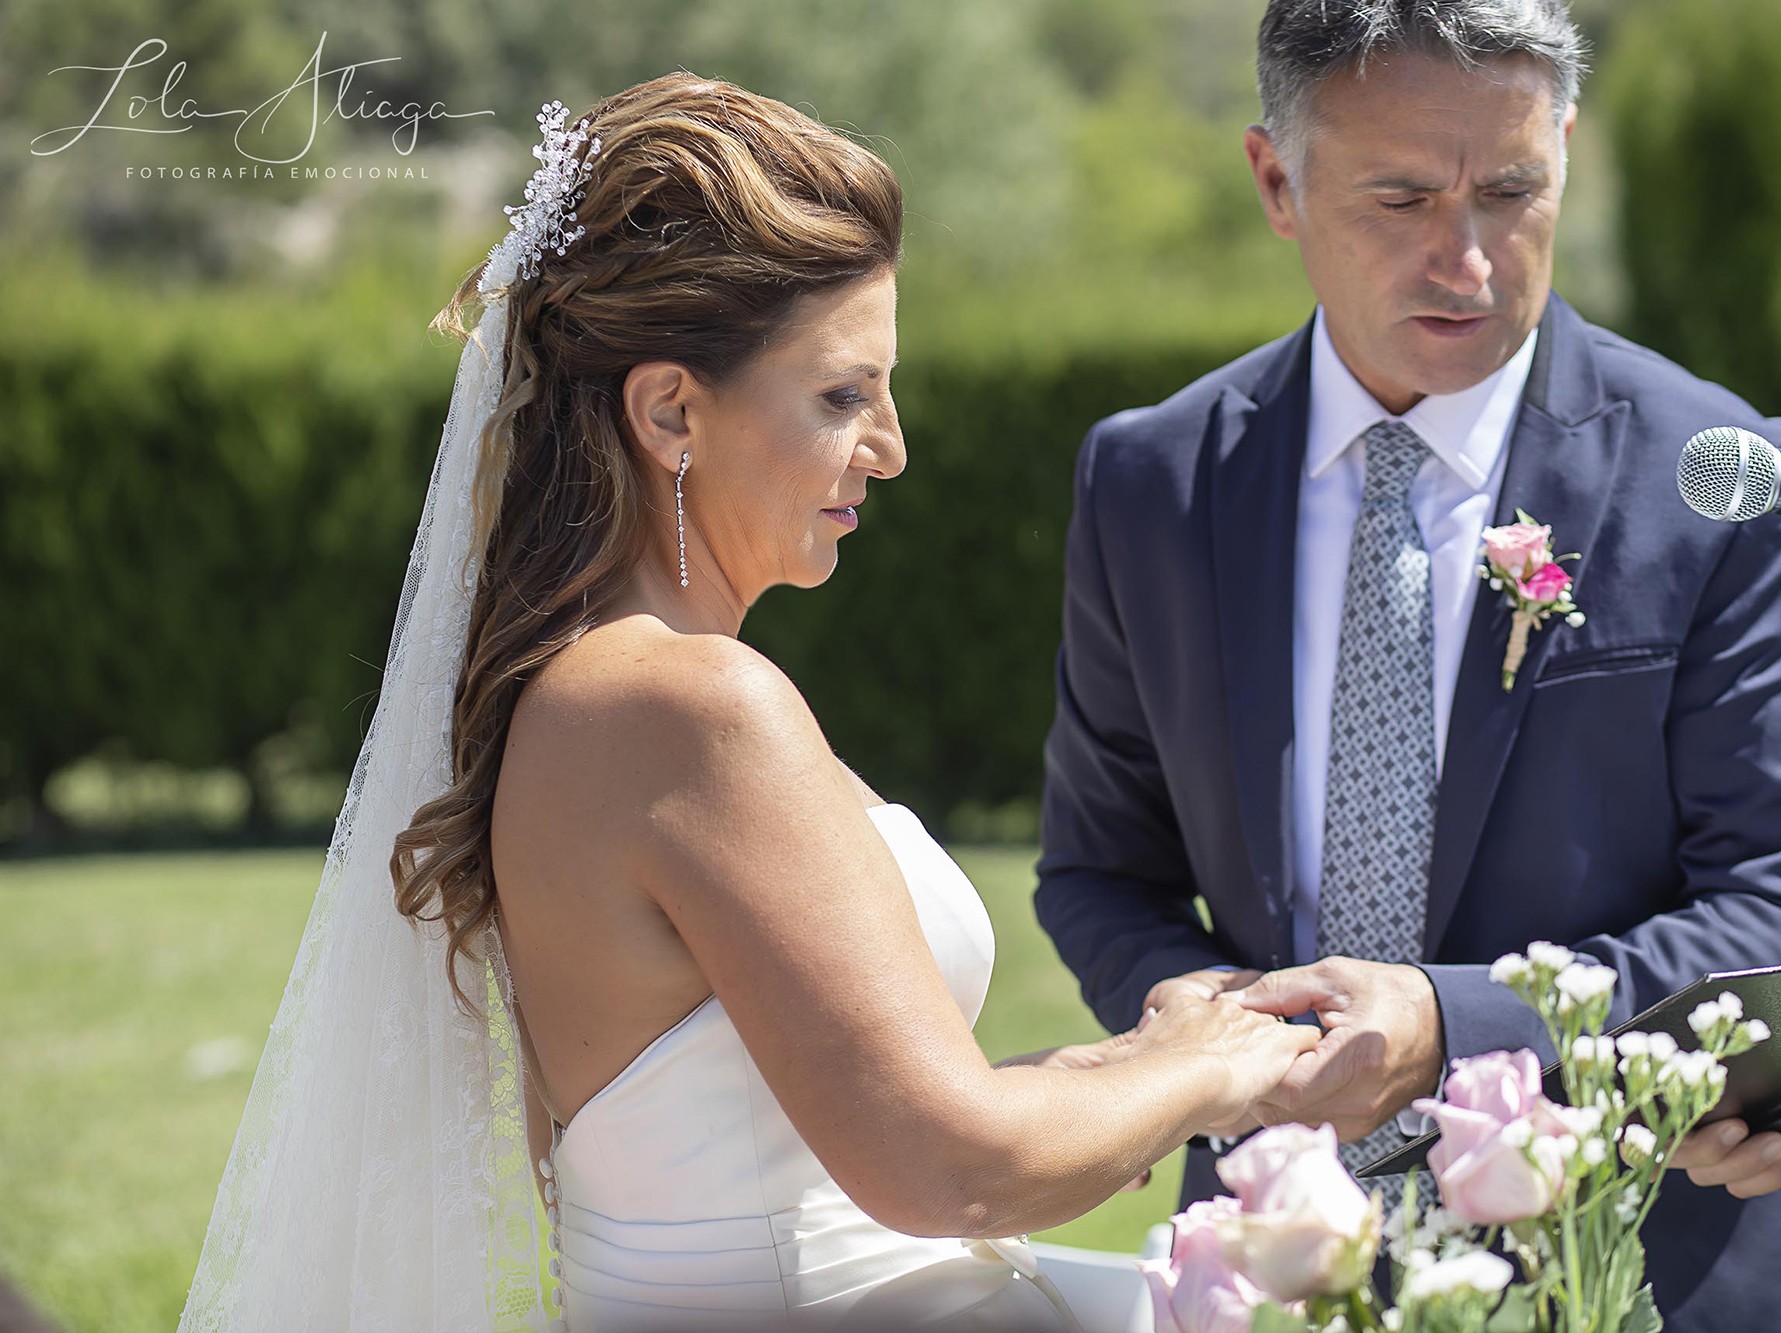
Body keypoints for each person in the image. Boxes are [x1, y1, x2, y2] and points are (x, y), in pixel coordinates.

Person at [178, 74, 1324, 1333]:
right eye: (842, 395)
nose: (889, 446)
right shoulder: (693, 706)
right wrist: (1209, 1071)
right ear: (670, 407)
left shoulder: (582, 694)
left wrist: (1132, 1060)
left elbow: (808, 1129)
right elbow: (948, 1166)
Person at [1034, 3, 1781, 1330]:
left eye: (1512, 190)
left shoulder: (1723, 479)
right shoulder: (1153, 482)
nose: (1469, 258)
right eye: (1405, 197)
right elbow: (1099, 870)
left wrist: (1453, 1024)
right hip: (1283, 1266)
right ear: (1277, 181)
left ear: (1567, 155)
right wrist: (1227, 1042)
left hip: (1652, 1265)